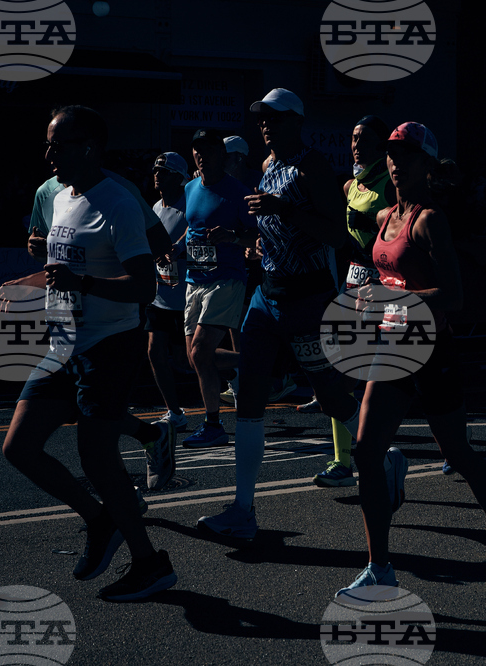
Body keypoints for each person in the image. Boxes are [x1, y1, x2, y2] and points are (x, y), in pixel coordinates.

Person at [338, 122, 486, 596]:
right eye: (392, 154)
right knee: (364, 451)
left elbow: (456, 297)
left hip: (430, 350)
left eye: (406, 155)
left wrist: (388, 301)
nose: (395, 163)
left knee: (457, 454)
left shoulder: (429, 221)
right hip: (391, 348)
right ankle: (379, 567)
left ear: (428, 165)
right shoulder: (384, 216)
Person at [1, 106, 176, 601]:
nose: (49, 154)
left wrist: (85, 282)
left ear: (90, 148)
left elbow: (143, 286)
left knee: (97, 460)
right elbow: (64, 269)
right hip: (62, 341)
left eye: (58, 145)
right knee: (19, 447)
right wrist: (25, 284)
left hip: (107, 344)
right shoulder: (59, 198)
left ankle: (151, 563)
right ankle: (100, 521)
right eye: (48, 145)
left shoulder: (117, 203)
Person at [196, 88, 361, 539]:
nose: (265, 126)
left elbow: (334, 234)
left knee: (329, 395)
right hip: (266, 295)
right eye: (261, 119)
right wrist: (244, 241)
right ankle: (243, 509)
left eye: (274, 118)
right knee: (249, 395)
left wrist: (284, 209)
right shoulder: (267, 167)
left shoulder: (314, 167)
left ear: (296, 122)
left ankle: (383, 459)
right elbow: (271, 231)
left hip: (308, 298)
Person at [311, 114, 396, 488]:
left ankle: (448, 444)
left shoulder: (389, 184)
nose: (356, 144)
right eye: (352, 137)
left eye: (363, 138)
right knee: (342, 372)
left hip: (384, 284)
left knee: (389, 379)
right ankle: (343, 462)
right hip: (353, 282)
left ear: (381, 145)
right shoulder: (352, 184)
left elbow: (397, 232)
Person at [177, 128, 258, 448]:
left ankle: (213, 424)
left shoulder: (237, 192)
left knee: (200, 351)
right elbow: (192, 227)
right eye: (197, 149)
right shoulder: (190, 187)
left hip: (227, 278)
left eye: (208, 150)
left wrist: (232, 237)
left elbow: (256, 238)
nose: (201, 155)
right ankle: (252, 361)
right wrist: (176, 246)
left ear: (221, 154)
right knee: (194, 358)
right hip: (194, 280)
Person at [147, 152, 190, 431]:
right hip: (160, 295)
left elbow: (200, 227)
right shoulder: (154, 208)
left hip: (187, 294)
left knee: (190, 359)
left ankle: (237, 373)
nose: (157, 176)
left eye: (163, 172)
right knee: (155, 352)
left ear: (178, 177)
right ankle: (174, 412)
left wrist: (178, 247)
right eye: (155, 171)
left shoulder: (190, 203)